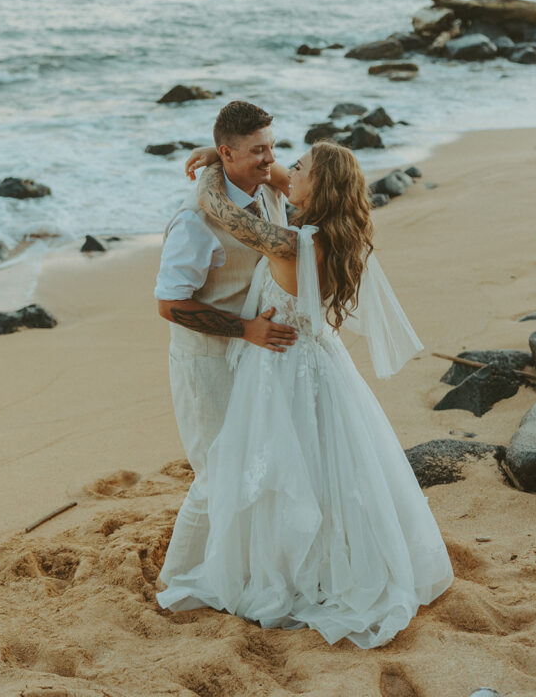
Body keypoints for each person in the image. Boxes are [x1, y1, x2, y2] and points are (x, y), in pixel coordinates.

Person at [156, 140, 454, 649]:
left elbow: (219, 209)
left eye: (298, 167)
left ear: (318, 187)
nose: (283, 170)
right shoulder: (341, 236)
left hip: (283, 369)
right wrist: (244, 160)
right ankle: (328, 561)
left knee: (283, 473)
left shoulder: (289, 244)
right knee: (330, 470)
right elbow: (282, 183)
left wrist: (215, 162)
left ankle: (289, 573)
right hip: (324, 362)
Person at [154, 101, 298, 588]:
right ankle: (181, 578)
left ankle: (240, 567)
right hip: (208, 363)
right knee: (216, 475)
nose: (270, 158)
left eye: (272, 147)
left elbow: (277, 173)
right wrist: (245, 329)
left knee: (255, 465)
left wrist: (218, 158)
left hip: (257, 360)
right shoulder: (194, 221)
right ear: (228, 153)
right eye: (258, 150)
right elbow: (169, 304)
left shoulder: (267, 187)